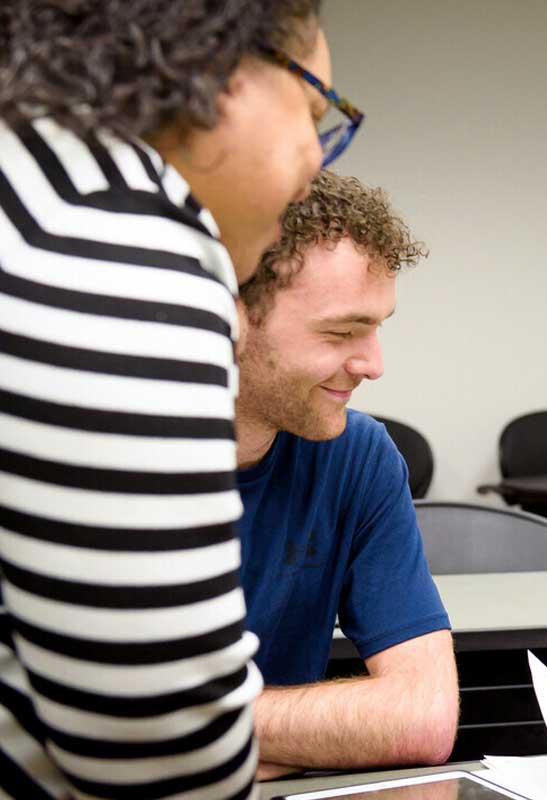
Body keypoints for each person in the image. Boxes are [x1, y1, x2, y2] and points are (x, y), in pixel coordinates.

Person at [0, 1, 357, 796]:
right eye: (315, 112)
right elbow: (167, 755)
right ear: (219, 67)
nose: (316, 162)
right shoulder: (116, 246)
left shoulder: (30, 186)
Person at [235, 170, 458, 776]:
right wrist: (318, 735)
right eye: (341, 332)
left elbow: (422, 717)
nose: (373, 364)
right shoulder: (89, 462)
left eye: (377, 326)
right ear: (231, 318)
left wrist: (188, 730)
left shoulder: (358, 456)